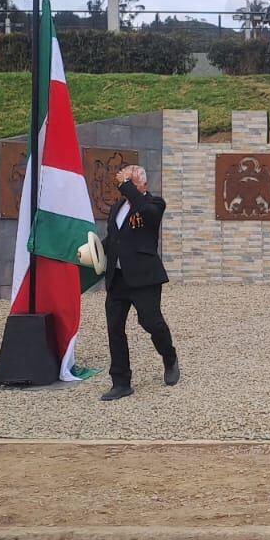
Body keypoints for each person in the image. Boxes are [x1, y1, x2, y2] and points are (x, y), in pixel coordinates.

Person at [101, 164, 179, 400]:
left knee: (151, 322)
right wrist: (94, 251)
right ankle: (121, 381)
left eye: (131, 183)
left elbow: (146, 211)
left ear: (143, 185)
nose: (126, 188)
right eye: (125, 183)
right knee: (115, 328)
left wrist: (126, 185)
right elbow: (114, 239)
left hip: (144, 278)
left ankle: (169, 356)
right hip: (118, 278)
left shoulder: (154, 204)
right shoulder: (117, 208)